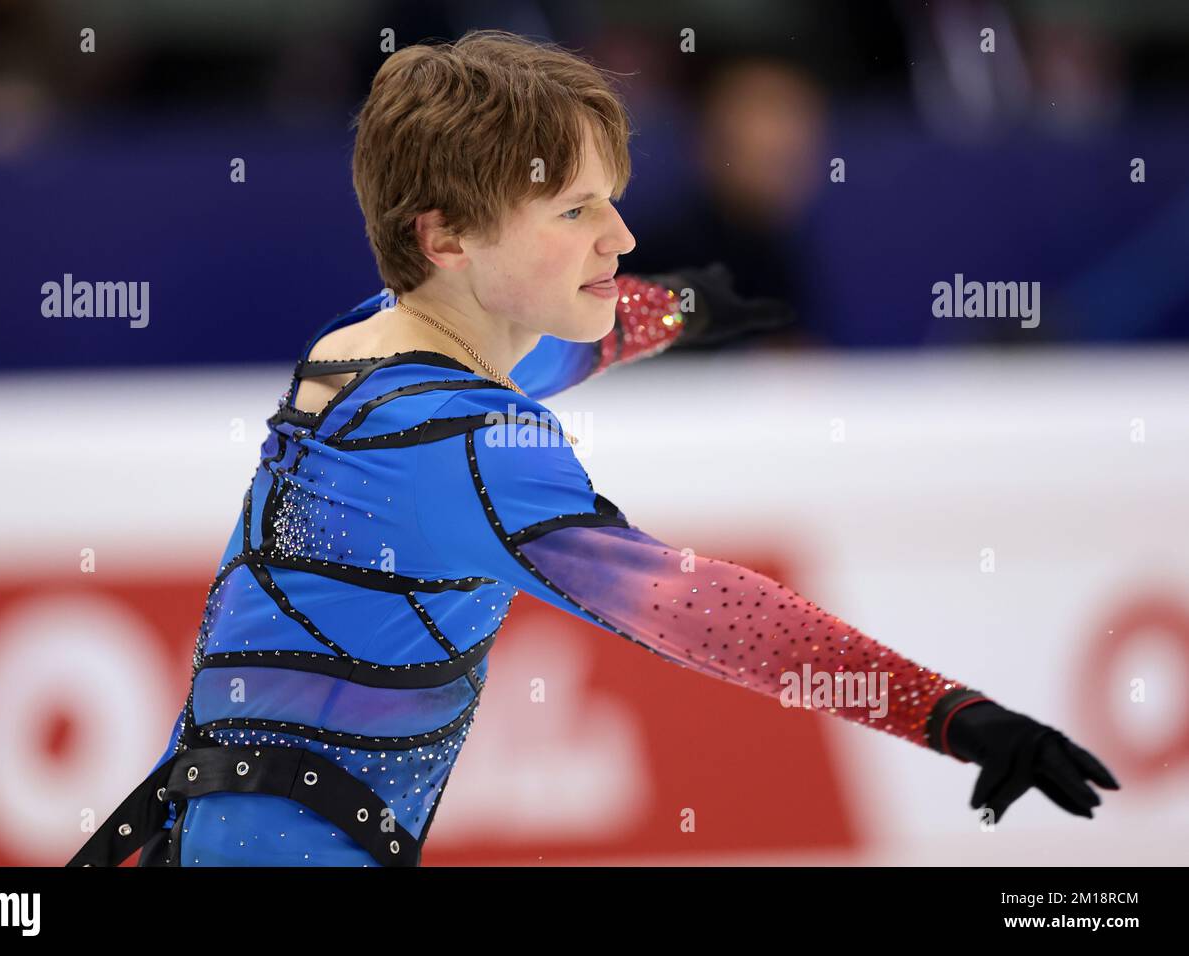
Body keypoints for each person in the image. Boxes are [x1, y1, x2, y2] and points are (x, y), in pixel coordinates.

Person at [69, 29, 1117, 868]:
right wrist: (954, 714)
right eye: (573, 210)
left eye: (611, 199)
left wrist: (684, 310)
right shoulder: (476, 446)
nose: (616, 237)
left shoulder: (365, 346)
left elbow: (548, 347)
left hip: (203, 827)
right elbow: (709, 612)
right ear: (447, 237)